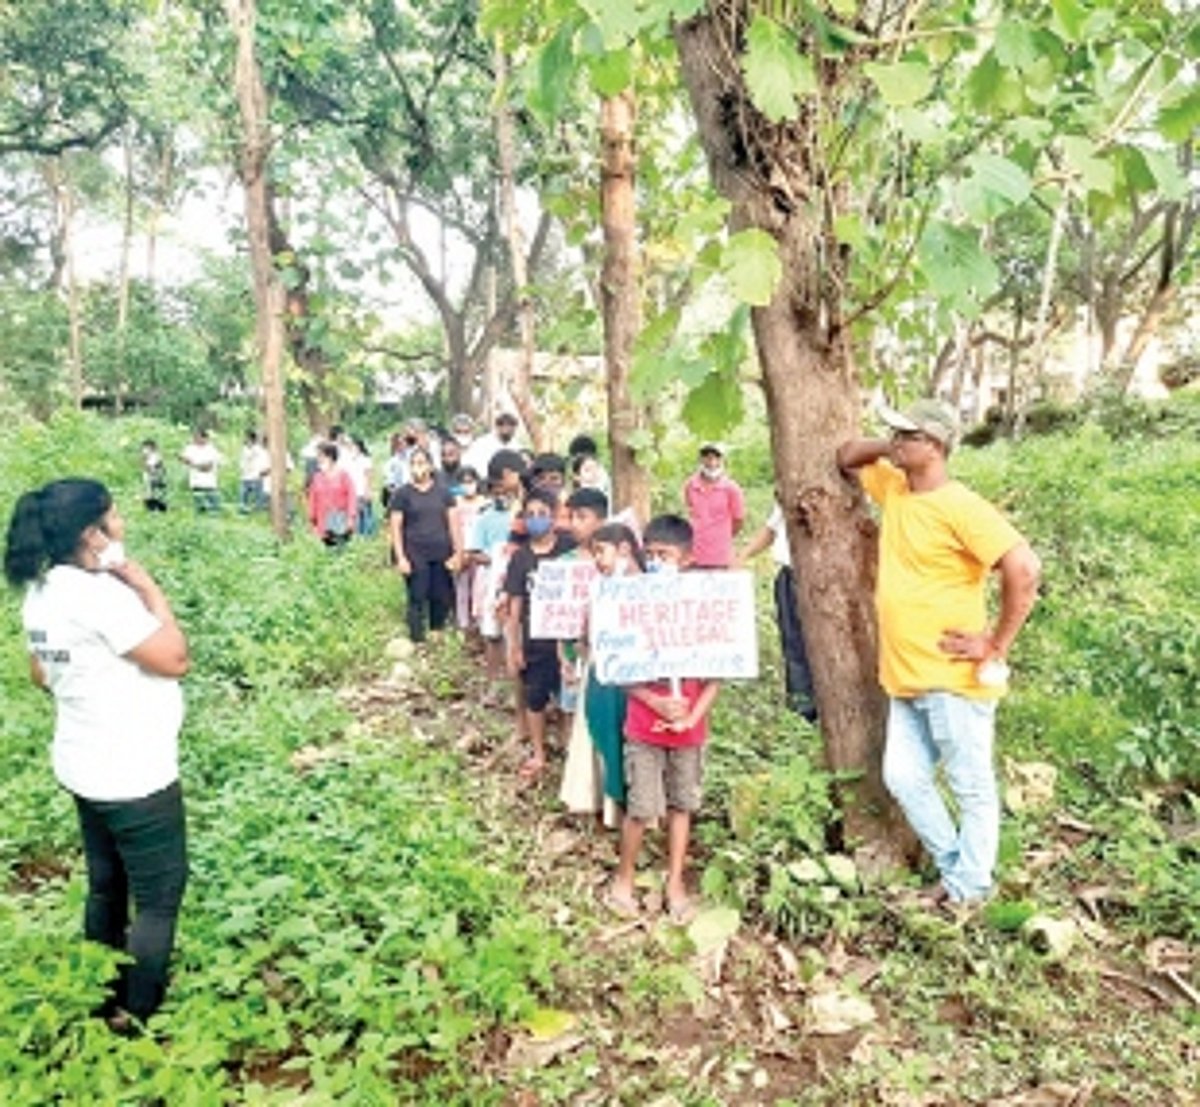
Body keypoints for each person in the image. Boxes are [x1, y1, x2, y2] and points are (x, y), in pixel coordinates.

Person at [837, 399, 1041, 906]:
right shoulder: (896, 489)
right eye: (895, 433)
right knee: (903, 779)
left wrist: (995, 643)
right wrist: (893, 445)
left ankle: (969, 886)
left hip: (950, 676)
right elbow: (846, 455)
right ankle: (956, 873)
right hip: (904, 677)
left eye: (909, 435)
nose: (895, 441)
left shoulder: (961, 507)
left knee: (970, 786)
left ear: (937, 446)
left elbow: (1024, 568)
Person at [4, 479, 190, 1027]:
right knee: (158, 896)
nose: (122, 523)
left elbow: (42, 674)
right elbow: (174, 658)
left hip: (84, 765)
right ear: (92, 533)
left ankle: (101, 992)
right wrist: (148, 588)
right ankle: (136, 1013)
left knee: (107, 886)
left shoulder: (42, 592)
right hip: (134, 772)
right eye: (115, 514)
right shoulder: (100, 597)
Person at [608, 514, 719, 923]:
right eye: (650, 555)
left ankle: (675, 882)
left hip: (689, 732)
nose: (656, 562)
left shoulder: (702, 611)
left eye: (665, 555)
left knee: (682, 805)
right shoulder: (634, 606)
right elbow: (620, 671)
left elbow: (717, 676)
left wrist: (692, 714)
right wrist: (655, 702)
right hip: (643, 727)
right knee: (641, 807)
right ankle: (624, 878)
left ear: (687, 559)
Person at [503, 488, 575, 781]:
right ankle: (539, 751)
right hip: (535, 640)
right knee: (535, 697)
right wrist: (514, 646)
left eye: (542, 514)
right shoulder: (520, 558)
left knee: (569, 698)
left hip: (569, 638)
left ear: (554, 516)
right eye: (530, 514)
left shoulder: (569, 549)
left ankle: (568, 748)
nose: (536, 519)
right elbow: (515, 606)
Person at [736, 501, 817, 722]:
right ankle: (803, 710)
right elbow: (771, 529)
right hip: (791, 574)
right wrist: (742, 556)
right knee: (793, 643)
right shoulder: (788, 494)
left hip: (827, 579)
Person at [389, 447, 458, 642]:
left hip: (441, 550)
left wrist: (458, 552)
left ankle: (437, 630)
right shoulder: (402, 494)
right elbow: (395, 527)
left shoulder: (443, 493)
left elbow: (453, 524)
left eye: (421, 463)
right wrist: (400, 557)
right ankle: (416, 636)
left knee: (440, 594)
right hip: (414, 552)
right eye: (413, 463)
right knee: (417, 594)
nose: (417, 467)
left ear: (430, 466)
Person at [682, 442, 744, 568]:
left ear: (722, 460)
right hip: (694, 555)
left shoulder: (732, 488)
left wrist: (721, 536)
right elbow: (690, 510)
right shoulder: (690, 485)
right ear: (700, 459)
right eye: (707, 457)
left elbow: (738, 520)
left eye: (716, 458)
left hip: (721, 556)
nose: (712, 462)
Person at [450, 466, 486, 633]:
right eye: (464, 482)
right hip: (461, 548)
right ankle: (463, 622)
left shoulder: (484, 503)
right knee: (461, 587)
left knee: (479, 587)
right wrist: (458, 551)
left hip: (479, 550)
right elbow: (453, 528)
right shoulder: (455, 502)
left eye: (471, 482)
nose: (468, 485)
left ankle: (478, 621)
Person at [306, 442, 356, 547]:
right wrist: (311, 520)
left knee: (340, 547)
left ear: (331, 457)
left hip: (340, 519)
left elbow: (351, 497)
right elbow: (312, 499)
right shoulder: (317, 477)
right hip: (322, 520)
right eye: (318, 456)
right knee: (325, 549)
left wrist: (351, 518)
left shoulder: (344, 476)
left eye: (321, 456)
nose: (318, 459)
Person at [463, 412, 522, 478]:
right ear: (497, 427)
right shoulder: (481, 443)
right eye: (502, 424)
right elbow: (467, 464)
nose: (506, 428)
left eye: (510, 425)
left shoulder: (517, 447)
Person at [179, 428, 222, 514]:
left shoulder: (211, 449)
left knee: (213, 504)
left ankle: (214, 512)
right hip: (195, 481)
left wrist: (194, 465)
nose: (195, 439)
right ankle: (201, 512)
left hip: (209, 482)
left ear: (205, 438)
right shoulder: (190, 448)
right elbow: (182, 458)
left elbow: (208, 466)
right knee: (199, 503)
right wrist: (191, 463)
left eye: (198, 437)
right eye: (195, 437)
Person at [344, 436, 376, 538]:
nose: (350, 447)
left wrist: (368, 490)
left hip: (362, 490)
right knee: (355, 513)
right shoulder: (348, 459)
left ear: (358, 446)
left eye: (352, 445)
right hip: (352, 491)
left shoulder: (365, 460)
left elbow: (368, 476)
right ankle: (358, 534)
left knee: (365, 513)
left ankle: (368, 534)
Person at [238, 430, 268, 514]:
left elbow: (264, 462)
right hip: (245, 476)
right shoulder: (244, 449)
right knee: (244, 494)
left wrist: (262, 472)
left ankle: (258, 510)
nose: (245, 440)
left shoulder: (259, 450)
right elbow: (242, 461)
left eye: (247, 438)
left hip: (256, 476)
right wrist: (242, 469)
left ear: (252, 439)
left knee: (257, 495)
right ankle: (244, 509)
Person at [141, 440, 168, 513]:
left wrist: (148, 467)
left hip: (156, 479)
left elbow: (153, 468)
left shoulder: (156, 456)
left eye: (146, 448)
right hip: (149, 479)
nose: (144, 450)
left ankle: (158, 509)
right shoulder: (147, 458)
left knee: (157, 495)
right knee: (149, 494)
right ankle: (152, 509)